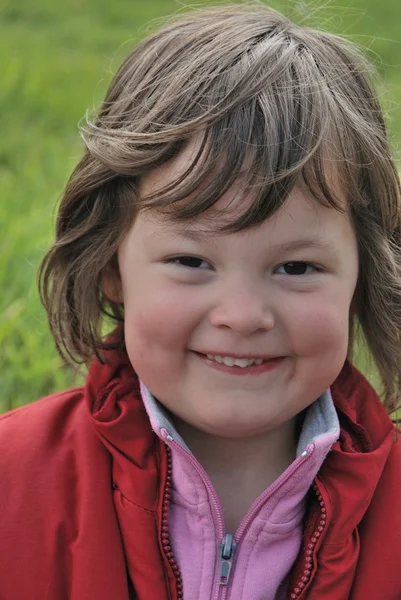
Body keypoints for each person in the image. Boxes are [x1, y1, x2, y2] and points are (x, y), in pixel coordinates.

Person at [1, 3, 401, 599]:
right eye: (191, 262)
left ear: (362, 276)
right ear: (112, 265)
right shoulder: (12, 478)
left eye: (296, 267)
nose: (241, 316)